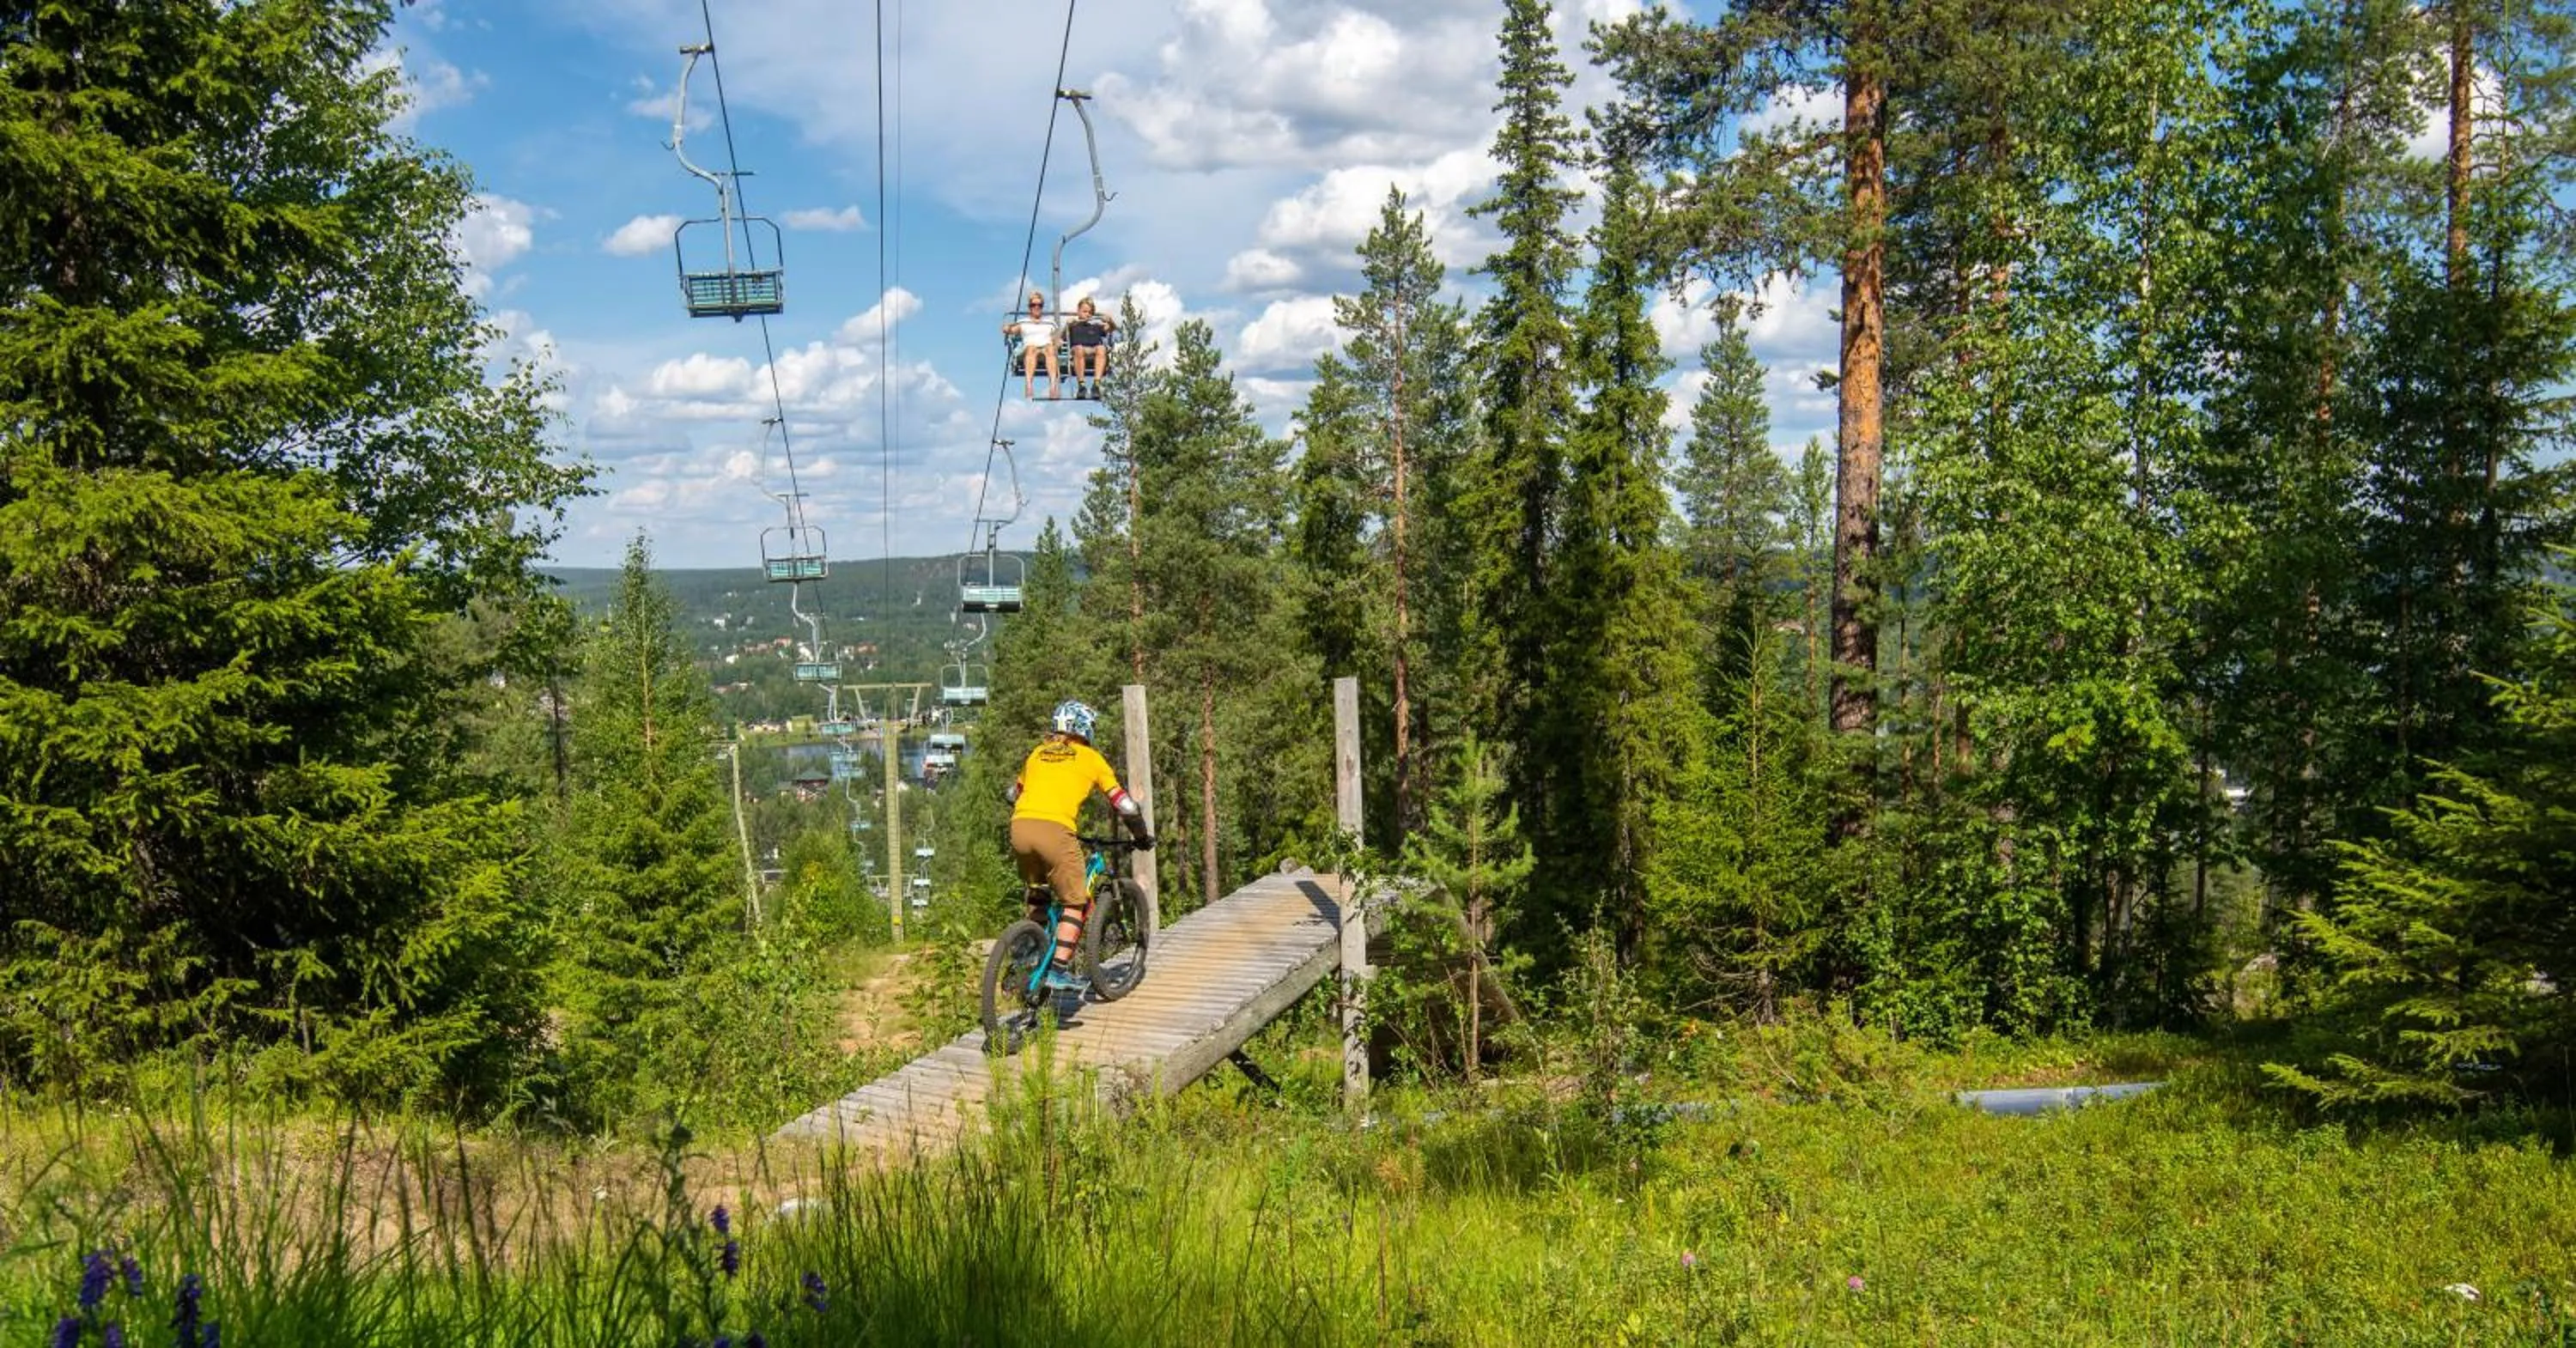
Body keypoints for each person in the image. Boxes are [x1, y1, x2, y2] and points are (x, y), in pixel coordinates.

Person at [1006, 699, 1152, 986]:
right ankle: (1059, 970)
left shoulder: (1037, 754)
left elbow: (1013, 794)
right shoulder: (1090, 758)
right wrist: (1142, 836)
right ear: (1084, 728)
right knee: (1077, 902)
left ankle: (1025, 955)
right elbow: (1125, 806)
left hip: (1020, 828)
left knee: (1039, 890)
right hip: (1056, 831)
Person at [1003, 291, 1060, 399]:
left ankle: (1053, 385)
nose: (1036, 307)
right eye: (1033, 305)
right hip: (1029, 347)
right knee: (1031, 348)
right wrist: (1007, 329)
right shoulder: (1023, 322)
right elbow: (1011, 330)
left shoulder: (1050, 323)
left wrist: (1057, 343)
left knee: (1050, 349)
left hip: (1046, 348)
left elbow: (1056, 339)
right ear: (1029, 307)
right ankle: (1029, 385)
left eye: (1039, 305)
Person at [1064, 296, 1116, 398]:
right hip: (1079, 350)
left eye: (1090, 312)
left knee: (1101, 348)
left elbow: (1112, 328)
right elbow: (1059, 339)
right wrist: (1067, 326)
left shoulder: (1096, 325)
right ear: (1078, 311)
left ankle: (1096, 385)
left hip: (1094, 349)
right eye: (1084, 311)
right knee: (1079, 348)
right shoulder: (1074, 325)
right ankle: (1081, 386)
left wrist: (1110, 320)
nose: (1087, 314)